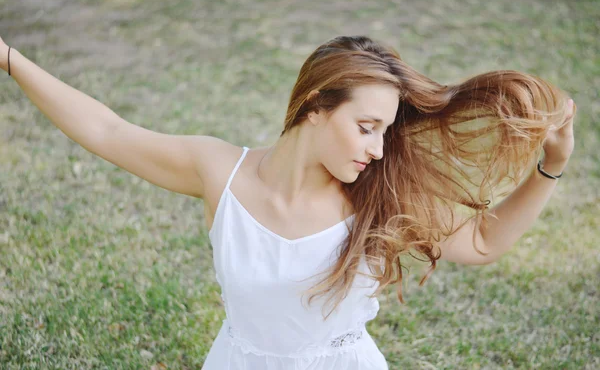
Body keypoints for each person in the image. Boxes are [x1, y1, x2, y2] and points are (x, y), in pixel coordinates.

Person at [0, 35, 576, 369]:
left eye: (384, 131)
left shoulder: (380, 195)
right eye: (367, 126)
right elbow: (107, 132)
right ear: (314, 106)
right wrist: (8, 58)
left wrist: (551, 165)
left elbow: (481, 241)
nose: (378, 149)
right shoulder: (219, 171)